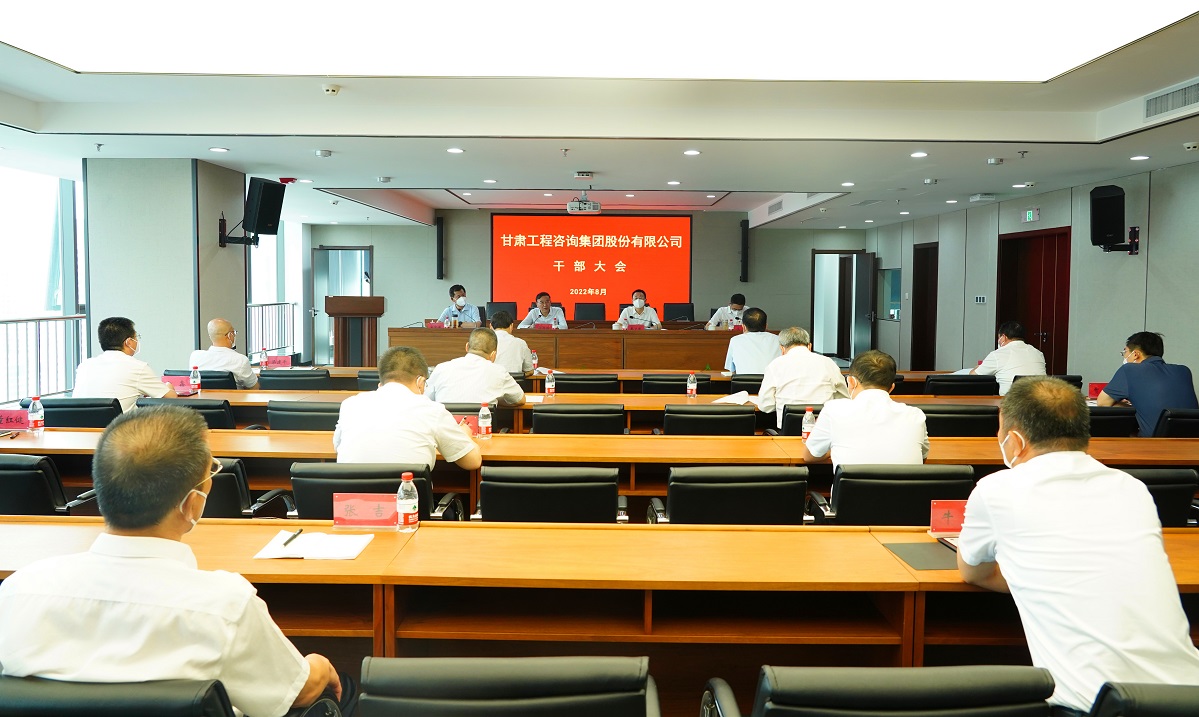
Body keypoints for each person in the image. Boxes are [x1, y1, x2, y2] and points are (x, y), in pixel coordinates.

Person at [0, 406, 345, 717]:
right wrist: (318, 665)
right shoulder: (225, 606)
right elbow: (296, 693)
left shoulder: (18, 591)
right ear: (192, 504)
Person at [957, 376, 1199, 713]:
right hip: (1187, 696)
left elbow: (973, 572)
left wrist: (1033, 574)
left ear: (1015, 439)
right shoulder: (1131, 488)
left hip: (1099, 706)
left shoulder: (996, 489)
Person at [334, 346, 482, 469]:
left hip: (349, 496)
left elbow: (338, 447)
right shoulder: (432, 410)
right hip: (407, 495)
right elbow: (473, 462)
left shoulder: (350, 405)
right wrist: (466, 435)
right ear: (420, 382)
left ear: (381, 383)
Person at [801, 350, 928, 469]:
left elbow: (809, 456)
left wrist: (832, 449)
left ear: (851, 382)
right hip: (905, 487)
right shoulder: (916, 415)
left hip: (851, 487)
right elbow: (922, 457)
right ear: (891, 388)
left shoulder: (833, 410)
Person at [1098, 331, 1199, 436]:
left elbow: (1103, 403)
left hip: (1154, 443)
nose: (1125, 355)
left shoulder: (1129, 370)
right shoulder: (1184, 371)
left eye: (1125, 352)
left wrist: (1131, 406)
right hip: (1192, 442)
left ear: (1136, 354)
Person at [73, 316, 176, 412]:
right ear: (128, 342)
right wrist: (168, 385)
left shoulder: (84, 366)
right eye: (136, 337)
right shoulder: (138, 368)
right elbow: (171, 398)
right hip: (120, 425)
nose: (137, 341)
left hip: (79, 425)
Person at [756, 327, 850, 425]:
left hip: (789, 431)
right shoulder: (829, 363)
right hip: (824, 428)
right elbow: (844, 399)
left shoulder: (775, 365)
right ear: (809, 346)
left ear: (782, 348)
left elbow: (765, 406)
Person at [426, 328, 525, 406]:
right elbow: (520, 399)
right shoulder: (499, 371)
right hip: (482, 426)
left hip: (445, 425)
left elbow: (425, 399)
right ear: (493, 354)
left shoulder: (441, 368)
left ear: (467, 347)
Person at [969, 320, 1045, 395]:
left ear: (1003, 337)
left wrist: (978, 367)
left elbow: (973, 376)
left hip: (1012, 401)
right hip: (1040, 400)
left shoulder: (998, 354)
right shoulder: (1038, 353)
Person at [187, 317, 258, 389]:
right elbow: (254, 387)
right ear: (230, 335)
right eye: (234, 332)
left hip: (203, 396)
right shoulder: (240, 360)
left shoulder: (195, 356)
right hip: (231, 396)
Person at [723, 307, 781, 373]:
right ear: (766, 326)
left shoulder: (735, 340)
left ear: (743, 327)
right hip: (772, 379)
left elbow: (731, 370)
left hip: (743, 380)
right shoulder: (778, 339)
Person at [490, 310, 533, 374]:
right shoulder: (521, 343)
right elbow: (529, 370)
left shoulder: (484, 343)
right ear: (511, 326)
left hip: (492, 380)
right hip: (514, 380)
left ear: (491, 326)